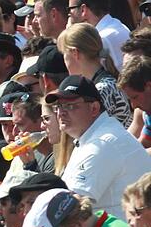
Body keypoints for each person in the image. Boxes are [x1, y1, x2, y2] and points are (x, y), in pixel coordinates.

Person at [49, 75, 151, 217]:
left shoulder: (103, 142)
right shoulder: (94, 136)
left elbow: (66, 206)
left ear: (94, 108)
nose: (61, 113)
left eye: (70, 106)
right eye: (58, 106)